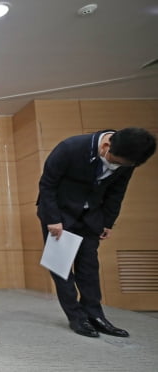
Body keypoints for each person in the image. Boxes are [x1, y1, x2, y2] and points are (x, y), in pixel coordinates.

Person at [37, 127, 156, 338]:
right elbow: (47, 185)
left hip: (91, 217)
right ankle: (76, 317)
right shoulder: (70, 148)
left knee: (89, 266)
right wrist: (53, 219)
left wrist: (108, 222)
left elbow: (117, 192)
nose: (117, 166)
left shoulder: (127, 160)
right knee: (61, 268)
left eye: (123, 165)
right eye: (115, 161)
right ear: (105, 146)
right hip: (60, 216)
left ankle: (95, 314)